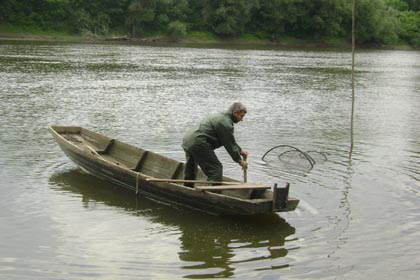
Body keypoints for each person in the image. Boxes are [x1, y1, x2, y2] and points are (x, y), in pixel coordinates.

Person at [182, 102, 249, 187]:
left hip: (188, 140)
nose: (242, 119)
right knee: (216, 170)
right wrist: (240, 161)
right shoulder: (226, 123)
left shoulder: (221, 116)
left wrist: (240, 151)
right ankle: (211, 195)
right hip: (199, 143)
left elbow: (229, 140)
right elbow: (228, 143)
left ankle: (187, 189)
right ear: (235, 113)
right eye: (241, 116)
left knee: (191, 168)